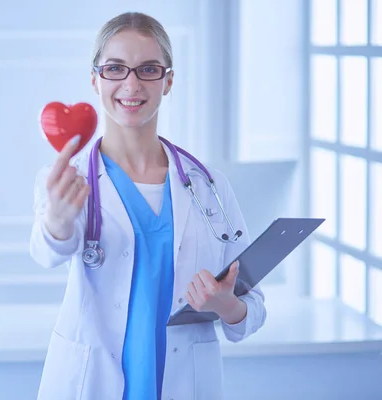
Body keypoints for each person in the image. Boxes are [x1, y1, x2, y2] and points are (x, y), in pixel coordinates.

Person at [29, 11, 266, 400]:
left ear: (168, 80)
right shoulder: (68, 180)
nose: (131, 84)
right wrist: (56, 220)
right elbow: (47, 252)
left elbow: (252, 308)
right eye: (115, 68)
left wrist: (227, 305)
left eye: (148, 69)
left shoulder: (210, 187)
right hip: (91, 384)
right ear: (95, 78)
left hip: (183, 383)